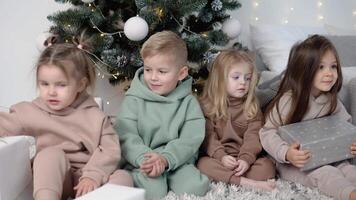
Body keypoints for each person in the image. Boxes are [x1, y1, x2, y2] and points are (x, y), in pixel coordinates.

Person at [0, 36, 133, 200]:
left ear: (81, 85)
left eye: (61, 85)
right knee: (49, 155)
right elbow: (5, 123)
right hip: (55, 180)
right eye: (44, 84)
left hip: (87, 180)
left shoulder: (94, 115)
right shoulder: (31, 111)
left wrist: (92, 175)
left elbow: (110, 150)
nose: (51, 92)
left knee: (123, 177)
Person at [260, 34, 356, 200]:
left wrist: (351, 142)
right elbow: (267, 132)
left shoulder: (331, 99)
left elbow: (345, 126)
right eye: (320, 67)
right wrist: (286, 153)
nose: (329, 73)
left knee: (347, 168)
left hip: (328, 154)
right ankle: (350, 195)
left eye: (333, 67)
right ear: (304, 70)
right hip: (296, 163)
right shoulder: (289, 100)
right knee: (327, 174)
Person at [115, 31, 209, 199]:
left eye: (162, 71)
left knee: (197, 187)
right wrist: (145, 160)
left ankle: (167, 172)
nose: (153, 77)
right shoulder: (134, 99)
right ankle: (128, 178)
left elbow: (190, 139)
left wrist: (166, 159)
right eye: (148, 69)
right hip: (143, 160)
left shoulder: (189, 103)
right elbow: (126, 134)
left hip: (176, 160)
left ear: (181, 73)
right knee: (153, 192)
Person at [197, 50, 276, 191]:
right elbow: (208, 137)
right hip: (218, 158)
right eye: (236, 77)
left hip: (244, 159)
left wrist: (245, 159)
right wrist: (221, 157)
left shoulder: (251, 107)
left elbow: (253, 138)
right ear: (220, 79)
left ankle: (231, 177)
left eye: (247, 78)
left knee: (267, 167)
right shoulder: (207, 106)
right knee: (202, 165)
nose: (243, 83)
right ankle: (245, 183)